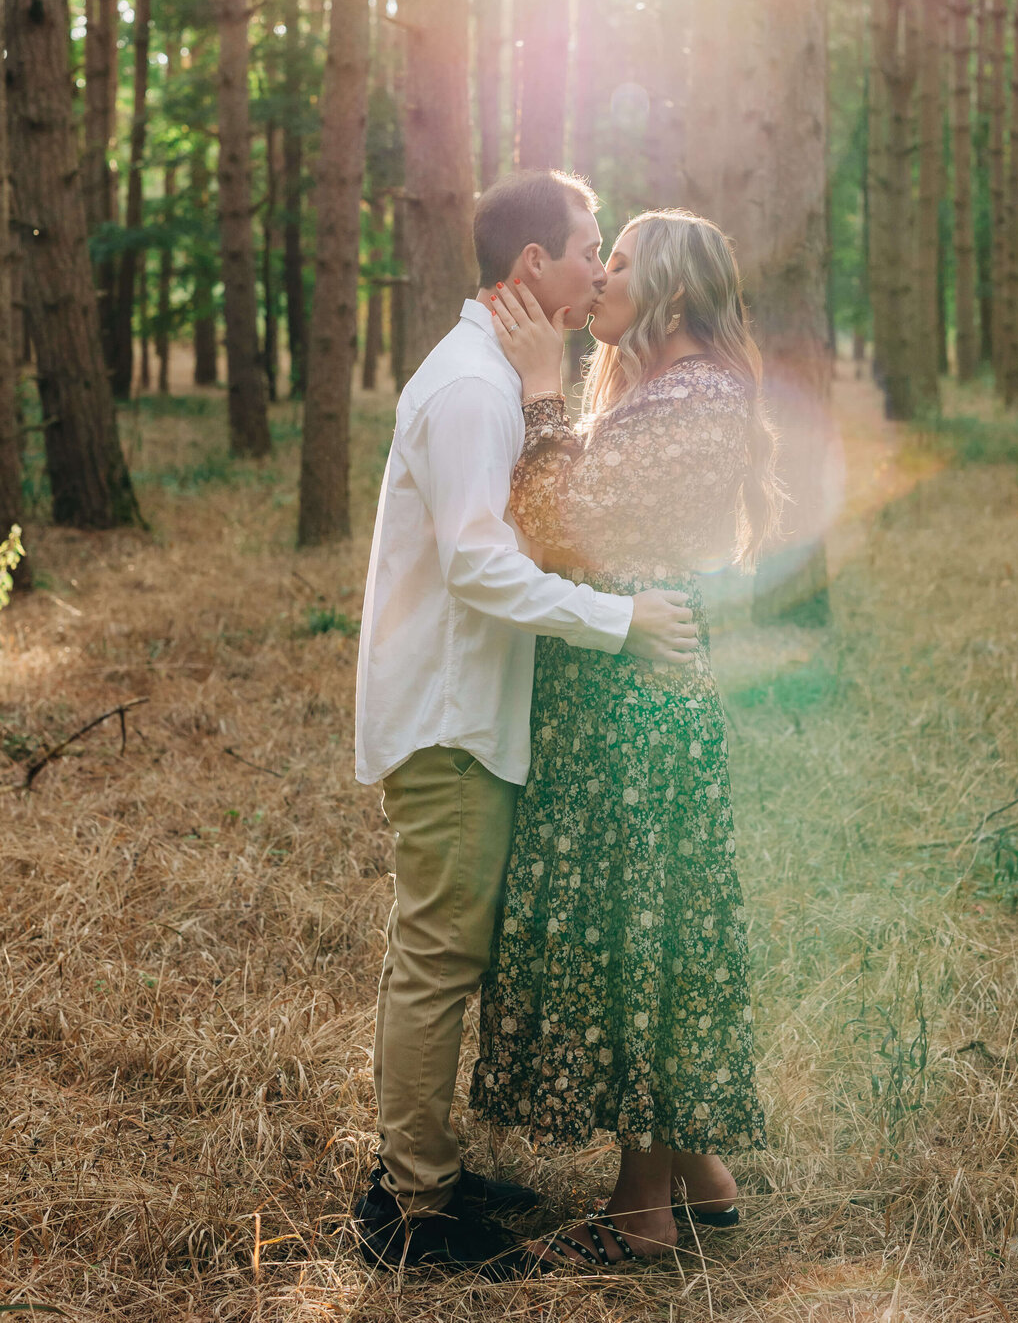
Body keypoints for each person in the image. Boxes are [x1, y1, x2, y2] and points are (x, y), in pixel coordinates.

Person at [352, 170, 699, 1279]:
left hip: (473, 713)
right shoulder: (472, 391)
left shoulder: (498, 376)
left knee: (449, 952)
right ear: (530, 267)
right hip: (451, 720)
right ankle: (413, 1207)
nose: (601, 265)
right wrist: (621, 620)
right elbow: (480, 567)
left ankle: (428, 1169)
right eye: (589, 245)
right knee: (439, 960)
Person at [470, 209, 777, 1272]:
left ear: (675, 294)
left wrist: (541, 389)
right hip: (613, 688)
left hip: (638, 708)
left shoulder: (698, 394)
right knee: (652, 925)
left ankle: (640, 1208)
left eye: (623, 261)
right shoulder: (657, 388)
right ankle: (702, 1174)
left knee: (638, 933)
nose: (599, 273)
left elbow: (568, 526)